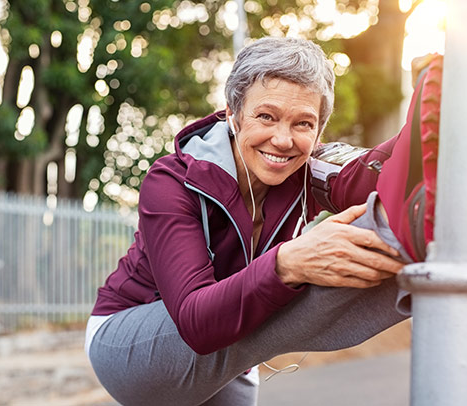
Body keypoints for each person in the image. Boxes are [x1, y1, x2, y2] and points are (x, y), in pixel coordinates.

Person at [86, 37, 441, 405]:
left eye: (303, 123)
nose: (283, 140)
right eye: (266, 116)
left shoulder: (304, 169)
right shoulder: (175, 180)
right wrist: (288, 263)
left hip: (232, 352)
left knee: (325, 254)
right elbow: (195, 320)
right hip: (130, 344)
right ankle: (411, 234)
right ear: (232, 114)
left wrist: (431, 129)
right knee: (310, 267)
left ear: (319, 130)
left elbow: (361, 176)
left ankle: (431, 238)